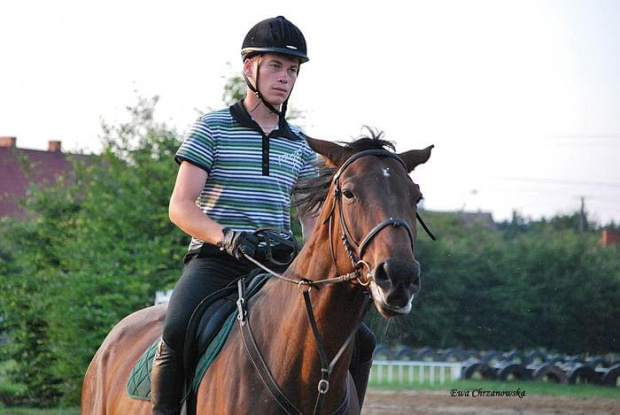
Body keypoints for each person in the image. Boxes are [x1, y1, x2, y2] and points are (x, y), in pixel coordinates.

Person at [151, 16, 375, 415]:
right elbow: (180, 206)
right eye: (275, 66)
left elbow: (311, 223)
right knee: (177, 325)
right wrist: (226, 237)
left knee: (362, 339)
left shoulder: (301, 145)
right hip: (218, 261)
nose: (284, 78)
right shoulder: (212, 127)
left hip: (280, 267)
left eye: (292, 70)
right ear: (248, 67)